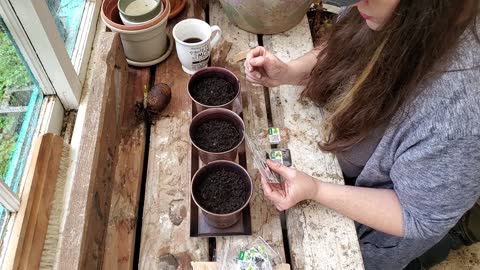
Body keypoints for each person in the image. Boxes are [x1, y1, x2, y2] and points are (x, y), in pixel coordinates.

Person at [244, 0, 480, 269]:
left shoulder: (460, 118)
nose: (356, 4)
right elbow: (345, 42)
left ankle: (456, 239)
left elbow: (416, 215)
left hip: (380, 218)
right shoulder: (385, 11)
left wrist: (317, 189)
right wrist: (291, 72)